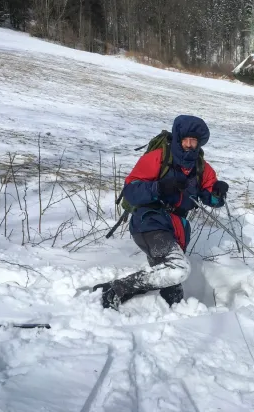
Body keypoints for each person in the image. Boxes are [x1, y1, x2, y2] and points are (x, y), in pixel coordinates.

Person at [95, 115, 229, 310]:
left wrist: (217, 193)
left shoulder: (202, 168)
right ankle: (116, 289)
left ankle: (167, 318)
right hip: (149, 222)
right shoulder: (158, 158)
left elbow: (212, 200)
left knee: (173, 292)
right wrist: (159, 187)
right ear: (178, 139)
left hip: (177, 229)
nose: (189, 145)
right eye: (185, 140)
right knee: (178, 268)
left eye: (193, 141)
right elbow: (131, 191)